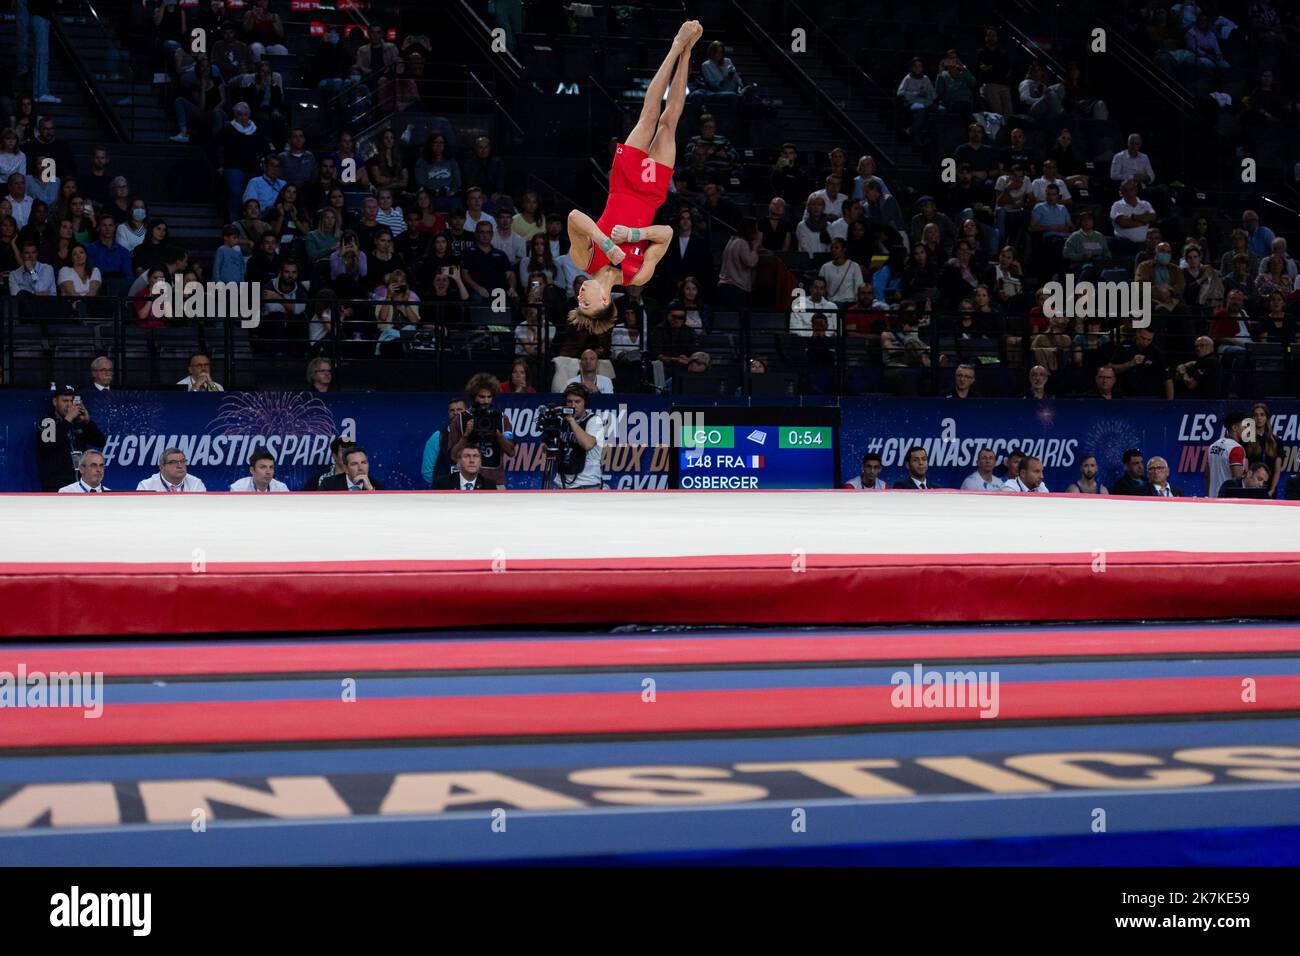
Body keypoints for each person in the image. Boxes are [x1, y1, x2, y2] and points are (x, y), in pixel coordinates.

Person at [566, 21, 702, 335]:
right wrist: (630, 235)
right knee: (670, 122)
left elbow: (574, 217)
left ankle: (675, 45)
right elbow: (667, 233)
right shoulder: (637, 276)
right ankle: (688, 53)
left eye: (578, 300)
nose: (580, 295)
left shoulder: (583, 260)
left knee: (650, 115)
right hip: (651, 194)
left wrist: (603, 241)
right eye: (585, 303)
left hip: (624, 184)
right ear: (604, 301)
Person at [448, 373, 517, 488]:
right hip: (467, 483)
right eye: (482, 397)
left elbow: (511, 452)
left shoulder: (501, 419)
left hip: (496, 481)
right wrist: (466, 436)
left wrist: (498, 436)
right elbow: (454, 456)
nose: (486, 401)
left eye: (489, 397)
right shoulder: (460, 419)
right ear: (474, 396)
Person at [36, 385, 107, 492]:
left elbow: (100, 441)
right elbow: (49, 444)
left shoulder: (78, 422)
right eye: (65, 400)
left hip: (80, 485)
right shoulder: (47, 421)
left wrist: (88, 422)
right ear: (55, 402)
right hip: (56, 485)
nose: (69, 405)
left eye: (72, 401)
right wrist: (68, 418)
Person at [552, 383, 607, 489]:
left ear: (585, 403)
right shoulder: (562, 421)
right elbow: (549, 449)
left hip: (586, 484)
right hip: (562, 484)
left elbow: (587, 444)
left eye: (577, 402)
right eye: (569, 401)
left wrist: (571, 420)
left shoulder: (594, 420)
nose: (573, 405)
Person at [421, 398, 467, 487]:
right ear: (448, 413)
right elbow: (427, 471)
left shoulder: (477, 434)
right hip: (445, 493)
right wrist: (441, 486)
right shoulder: (438, 436)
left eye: (459, 410)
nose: (456, 413)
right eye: (452, 410)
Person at [1206, 410, 1249, 497]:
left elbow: (1207, 475)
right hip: (1227, 501)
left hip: (1212, 499)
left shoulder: (1213, 446)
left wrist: (1209, 495)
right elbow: (1237, 481)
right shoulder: (1236, 449)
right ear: (1234, 428)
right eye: (1244, 427)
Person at [137, 448, 208, 492]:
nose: (180, 466)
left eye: (182, 461)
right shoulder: (146, 487)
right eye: (174, 462)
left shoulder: (196, 484)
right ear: (162, 467)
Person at [319, 446, 385, 491]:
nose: (360, 468)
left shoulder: (376, 486)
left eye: (364, 463)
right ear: (346, 468)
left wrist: (370, 490)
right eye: (354, 464)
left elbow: (383, 509)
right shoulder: (328, 484)